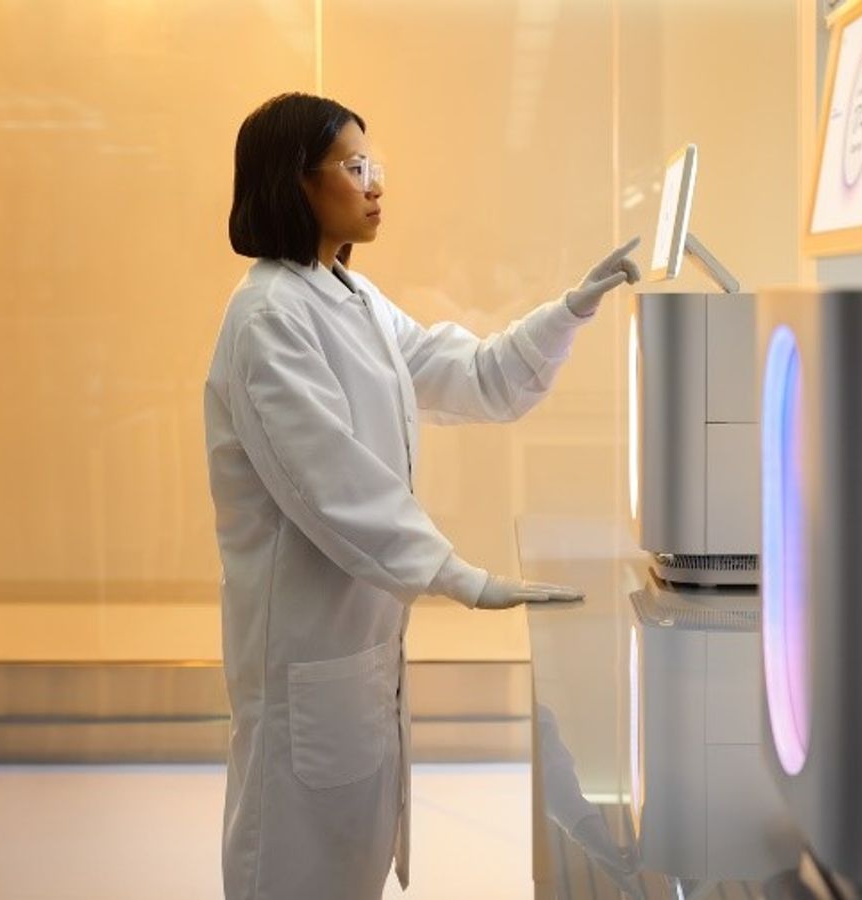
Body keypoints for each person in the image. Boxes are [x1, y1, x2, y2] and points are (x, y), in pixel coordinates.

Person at [204, 92, 641, 900]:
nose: (375, 186)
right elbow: (332, 486)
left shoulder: (353, 301)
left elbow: (474, 376)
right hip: (306, 657)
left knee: (348, 864)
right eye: (355, 166)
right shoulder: (267, 315)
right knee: (294, 868)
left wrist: (569, 312)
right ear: (293, 181)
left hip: (356, 658)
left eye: (378, 167)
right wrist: (461, 577)